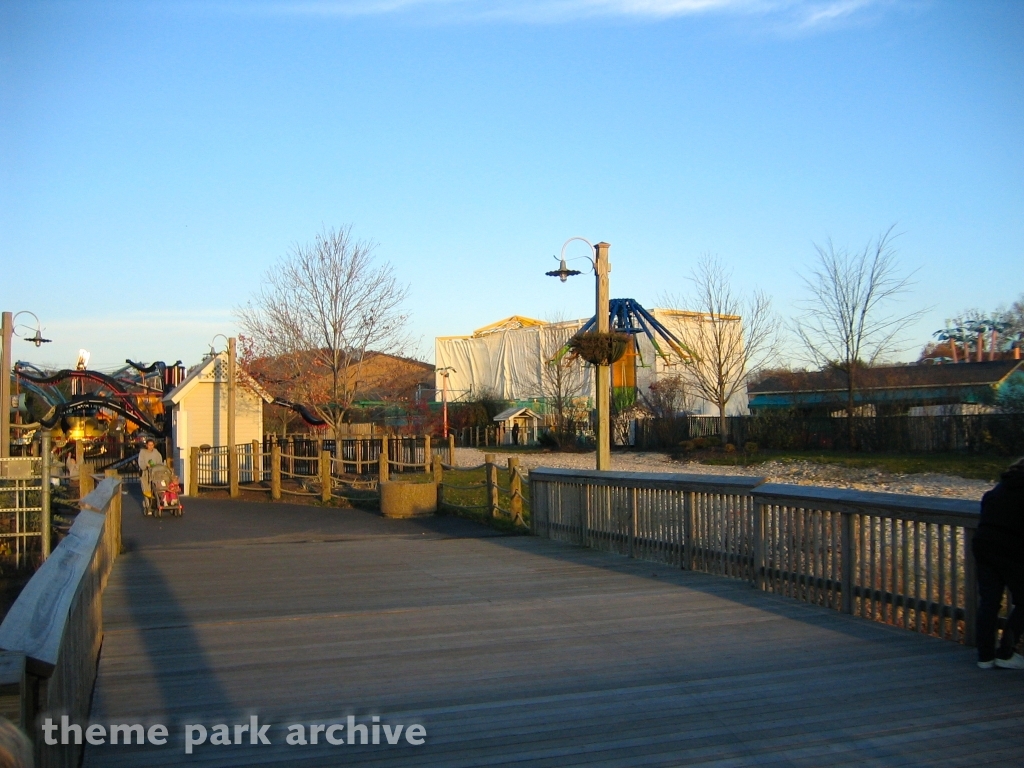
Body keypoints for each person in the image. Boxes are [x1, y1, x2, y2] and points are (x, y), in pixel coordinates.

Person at [973, 456, 1024, 669]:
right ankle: (1005, 652)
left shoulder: (1000, 488)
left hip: (983, 545)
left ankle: (984, 656)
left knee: (989, 602)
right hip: (1010, 549)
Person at [137, 438, 163, 503]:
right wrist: (146, 465)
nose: (150, 446)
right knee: (147, 490)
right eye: (149, 445)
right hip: (145, 474)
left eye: (152, 445)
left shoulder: (156, 453)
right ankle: (147, 505)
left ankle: (156, 502)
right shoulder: (142, 452)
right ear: (146, 445)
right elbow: (141, 462)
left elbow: (160, 462)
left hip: (155, 474)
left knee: (156, 489)